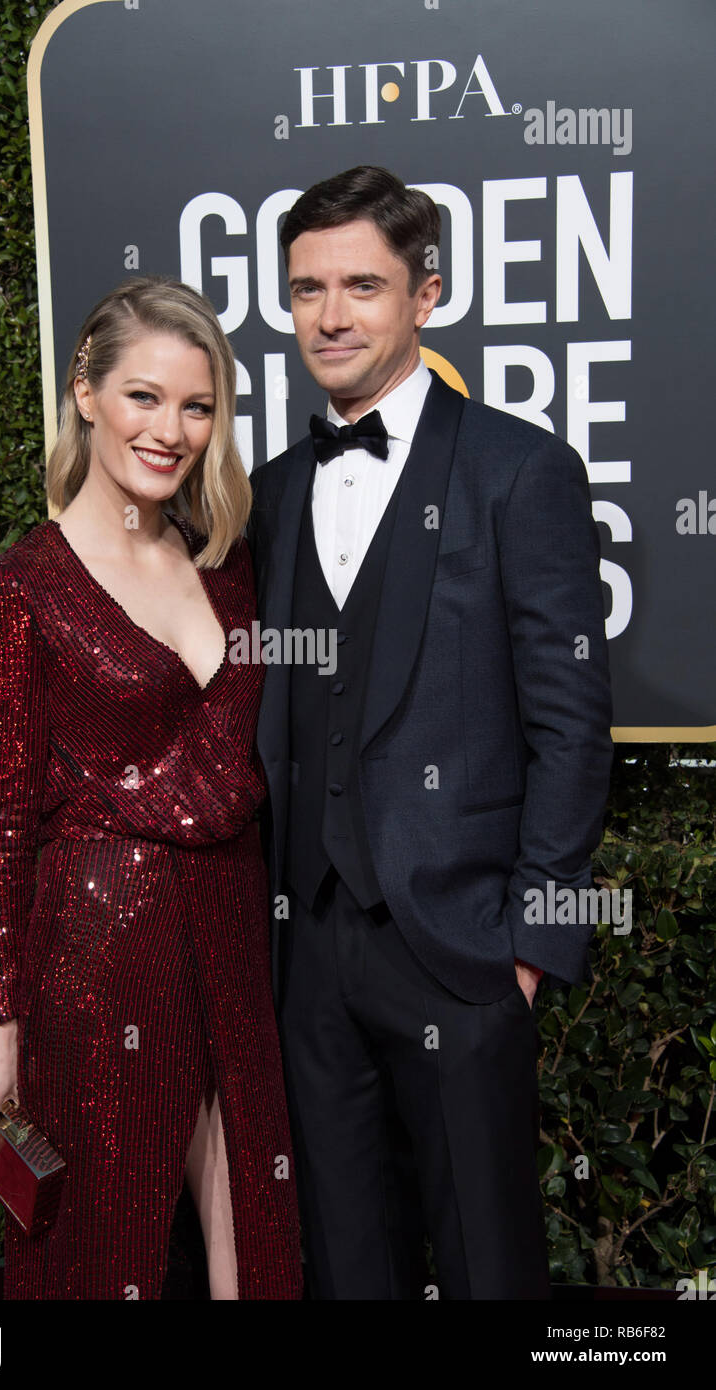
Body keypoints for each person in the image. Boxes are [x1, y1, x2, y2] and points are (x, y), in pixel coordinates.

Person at [246, 165, 614, 1299]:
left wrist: (526, 948)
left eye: (362, 284)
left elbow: (571, 722)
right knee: (345, 1261)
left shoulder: (520, 469)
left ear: (427, 295)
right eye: (307, 289)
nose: (331, 316)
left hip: (460, 950)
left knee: (487, 1263)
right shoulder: (269, 493)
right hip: (306, 949)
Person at [0, 275, 302, 1300]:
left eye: (197, 405)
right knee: (101, 1254)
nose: (170, 429)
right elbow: (4, 824)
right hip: (96, 956)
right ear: (86, 392)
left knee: (256, 1239)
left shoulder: (229, 564)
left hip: (232, 929)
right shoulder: (20, 585)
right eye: (143, 396)